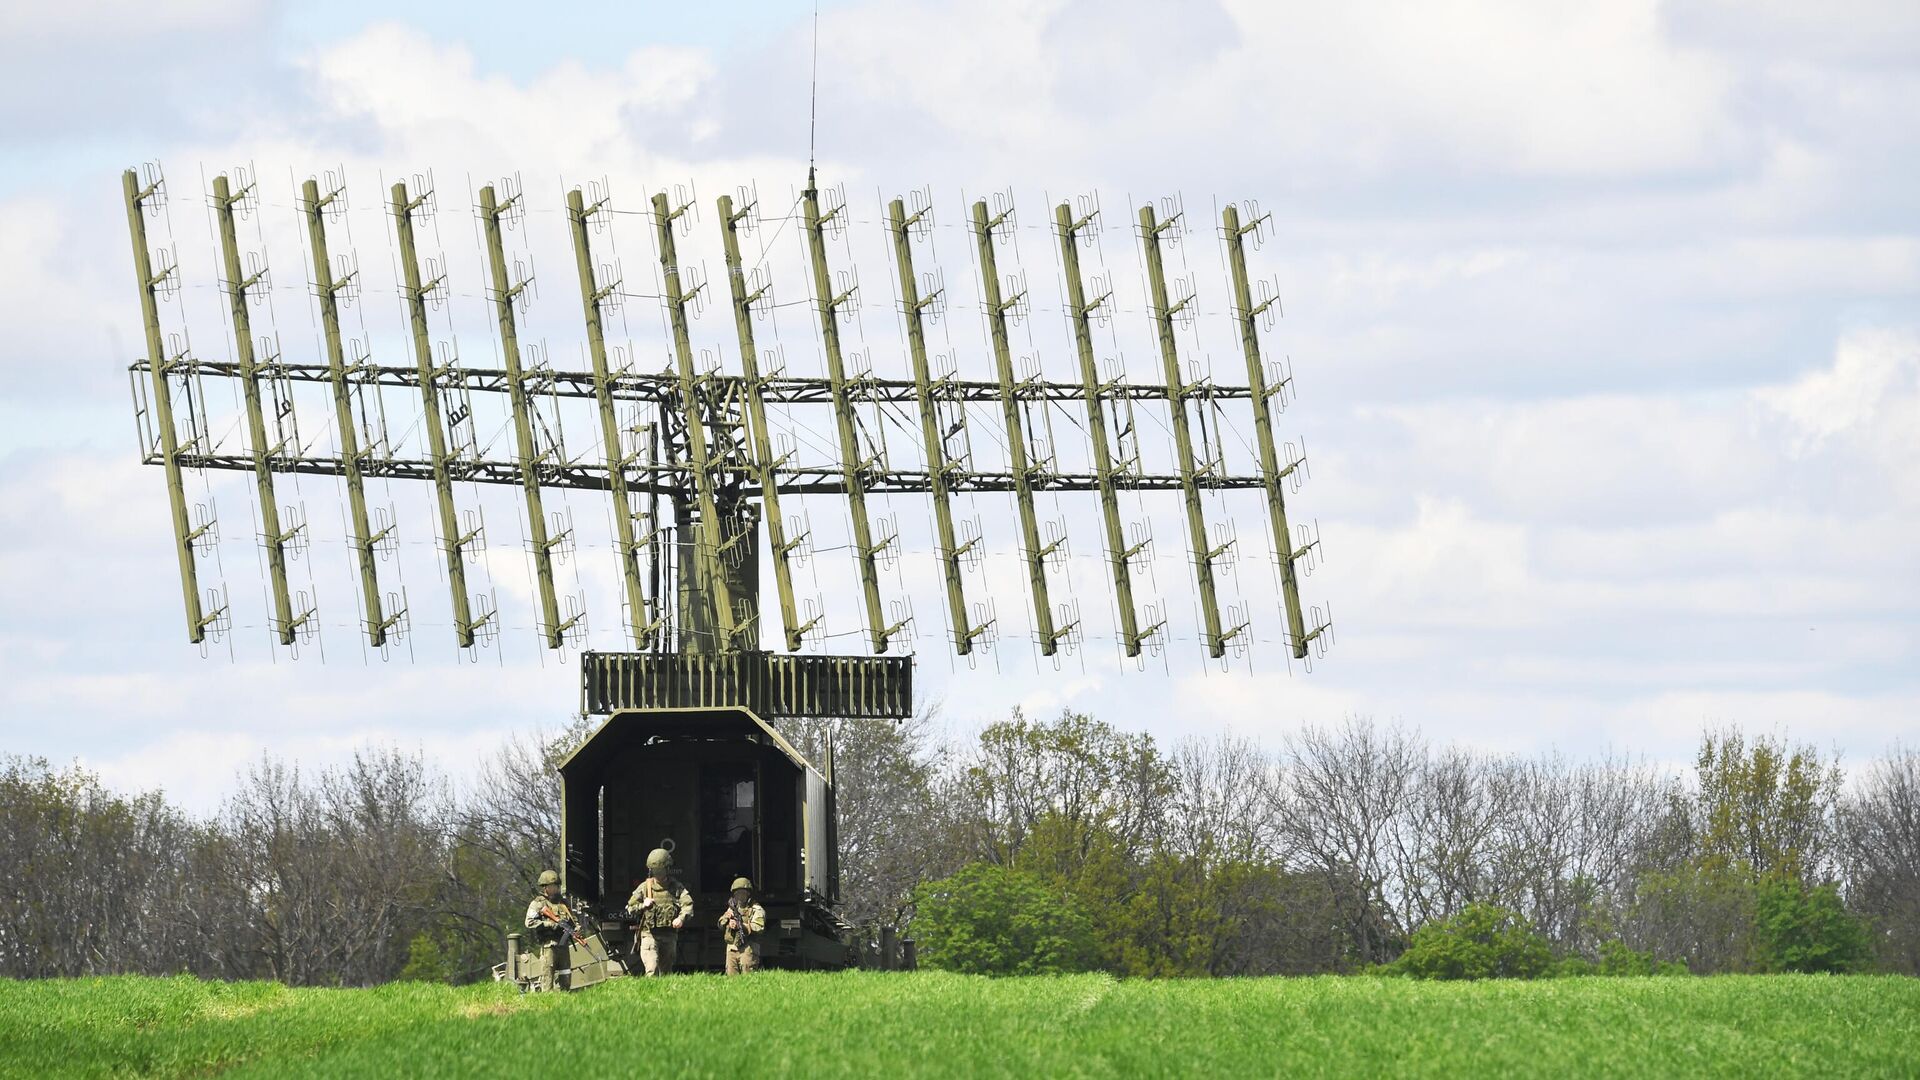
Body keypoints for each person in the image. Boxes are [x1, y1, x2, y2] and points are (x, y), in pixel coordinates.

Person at [625, 846, 693, 976]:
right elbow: (630, 908)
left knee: (666, 972)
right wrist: (642, 906)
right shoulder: (645, 887)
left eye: (660, 870)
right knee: (652, 969)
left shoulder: (676, 887)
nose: (658, 873)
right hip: (649, 934)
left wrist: (681, 918)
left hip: (669, 935)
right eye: (655, 870)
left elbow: (688, 905)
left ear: (667, 869)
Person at [717, 876, 767, 975]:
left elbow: (759, 927)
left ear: (748, 894)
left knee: (748, 978)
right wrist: (727, 920)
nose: (740, 896)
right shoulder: (732, 908)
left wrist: (741, 926)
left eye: (743, 893)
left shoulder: (756, 909)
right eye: (737, 893)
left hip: (748, 948)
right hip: (732, 948)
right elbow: (720, 924)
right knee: (731, 980)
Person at [524, 869, 581, 947]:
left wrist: (576, 928)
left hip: (563, 946)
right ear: (545, 887)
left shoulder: (563, 903)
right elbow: (529, 922)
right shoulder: (538, 903)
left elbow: (572, 920)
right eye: (552, 886)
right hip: (548, 945)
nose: (555, 889)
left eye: (556, 886)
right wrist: (550, 924)